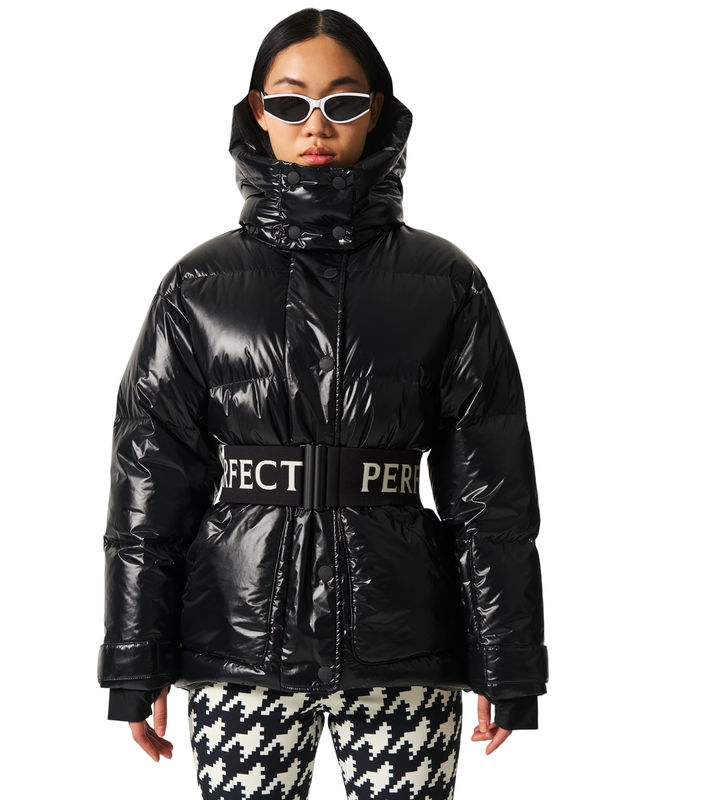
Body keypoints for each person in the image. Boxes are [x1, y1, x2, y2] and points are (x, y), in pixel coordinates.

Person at [97, 8, 548, 798]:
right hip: (239, 641)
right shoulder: (197, 288)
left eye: (343, 101)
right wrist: (136, 660)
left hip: (402, 642)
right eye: (290, 100)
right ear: (257, 111)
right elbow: (149, 484)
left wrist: (507, 663)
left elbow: (492, 494)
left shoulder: (447, 284)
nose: (316, 124)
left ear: (377, 111)